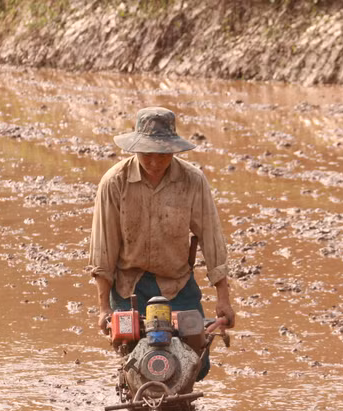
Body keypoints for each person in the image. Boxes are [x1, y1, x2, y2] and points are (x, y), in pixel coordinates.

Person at [88, 107, 234, 379]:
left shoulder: (192, 181)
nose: (155, 162)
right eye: (147, 154)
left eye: (163, 155)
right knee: (133, 362)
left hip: (177, 284)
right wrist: (103, 308)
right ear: (135, 149)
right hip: (129, 288)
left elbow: (212, 238)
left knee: (196, 362)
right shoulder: (114, 183)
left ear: (174, 151)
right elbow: (103, 248)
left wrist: (223, 299)